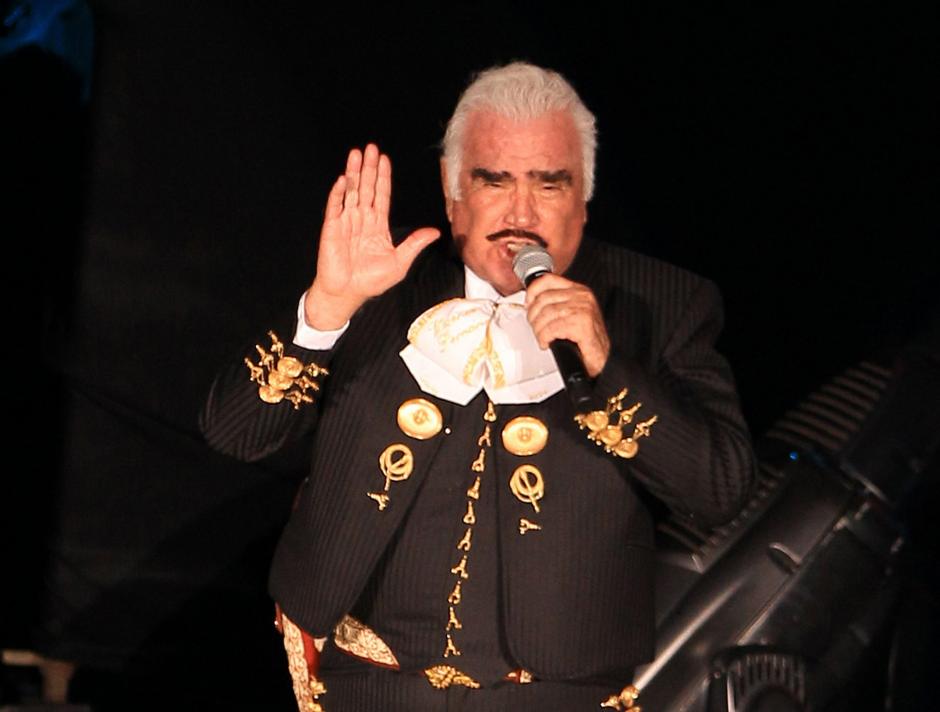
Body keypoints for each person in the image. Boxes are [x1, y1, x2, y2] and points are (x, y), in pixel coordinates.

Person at [201, 62, 754, 711]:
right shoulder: (375, 274)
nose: (521, 213)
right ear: (451, 189)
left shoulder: (663, 302)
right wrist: (324, 310)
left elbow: (720, 490)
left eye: (550, 185)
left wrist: (609, 367)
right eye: (494, 181)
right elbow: (233, 433)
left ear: (584, 196)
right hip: (362, 683)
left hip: (557, 695)